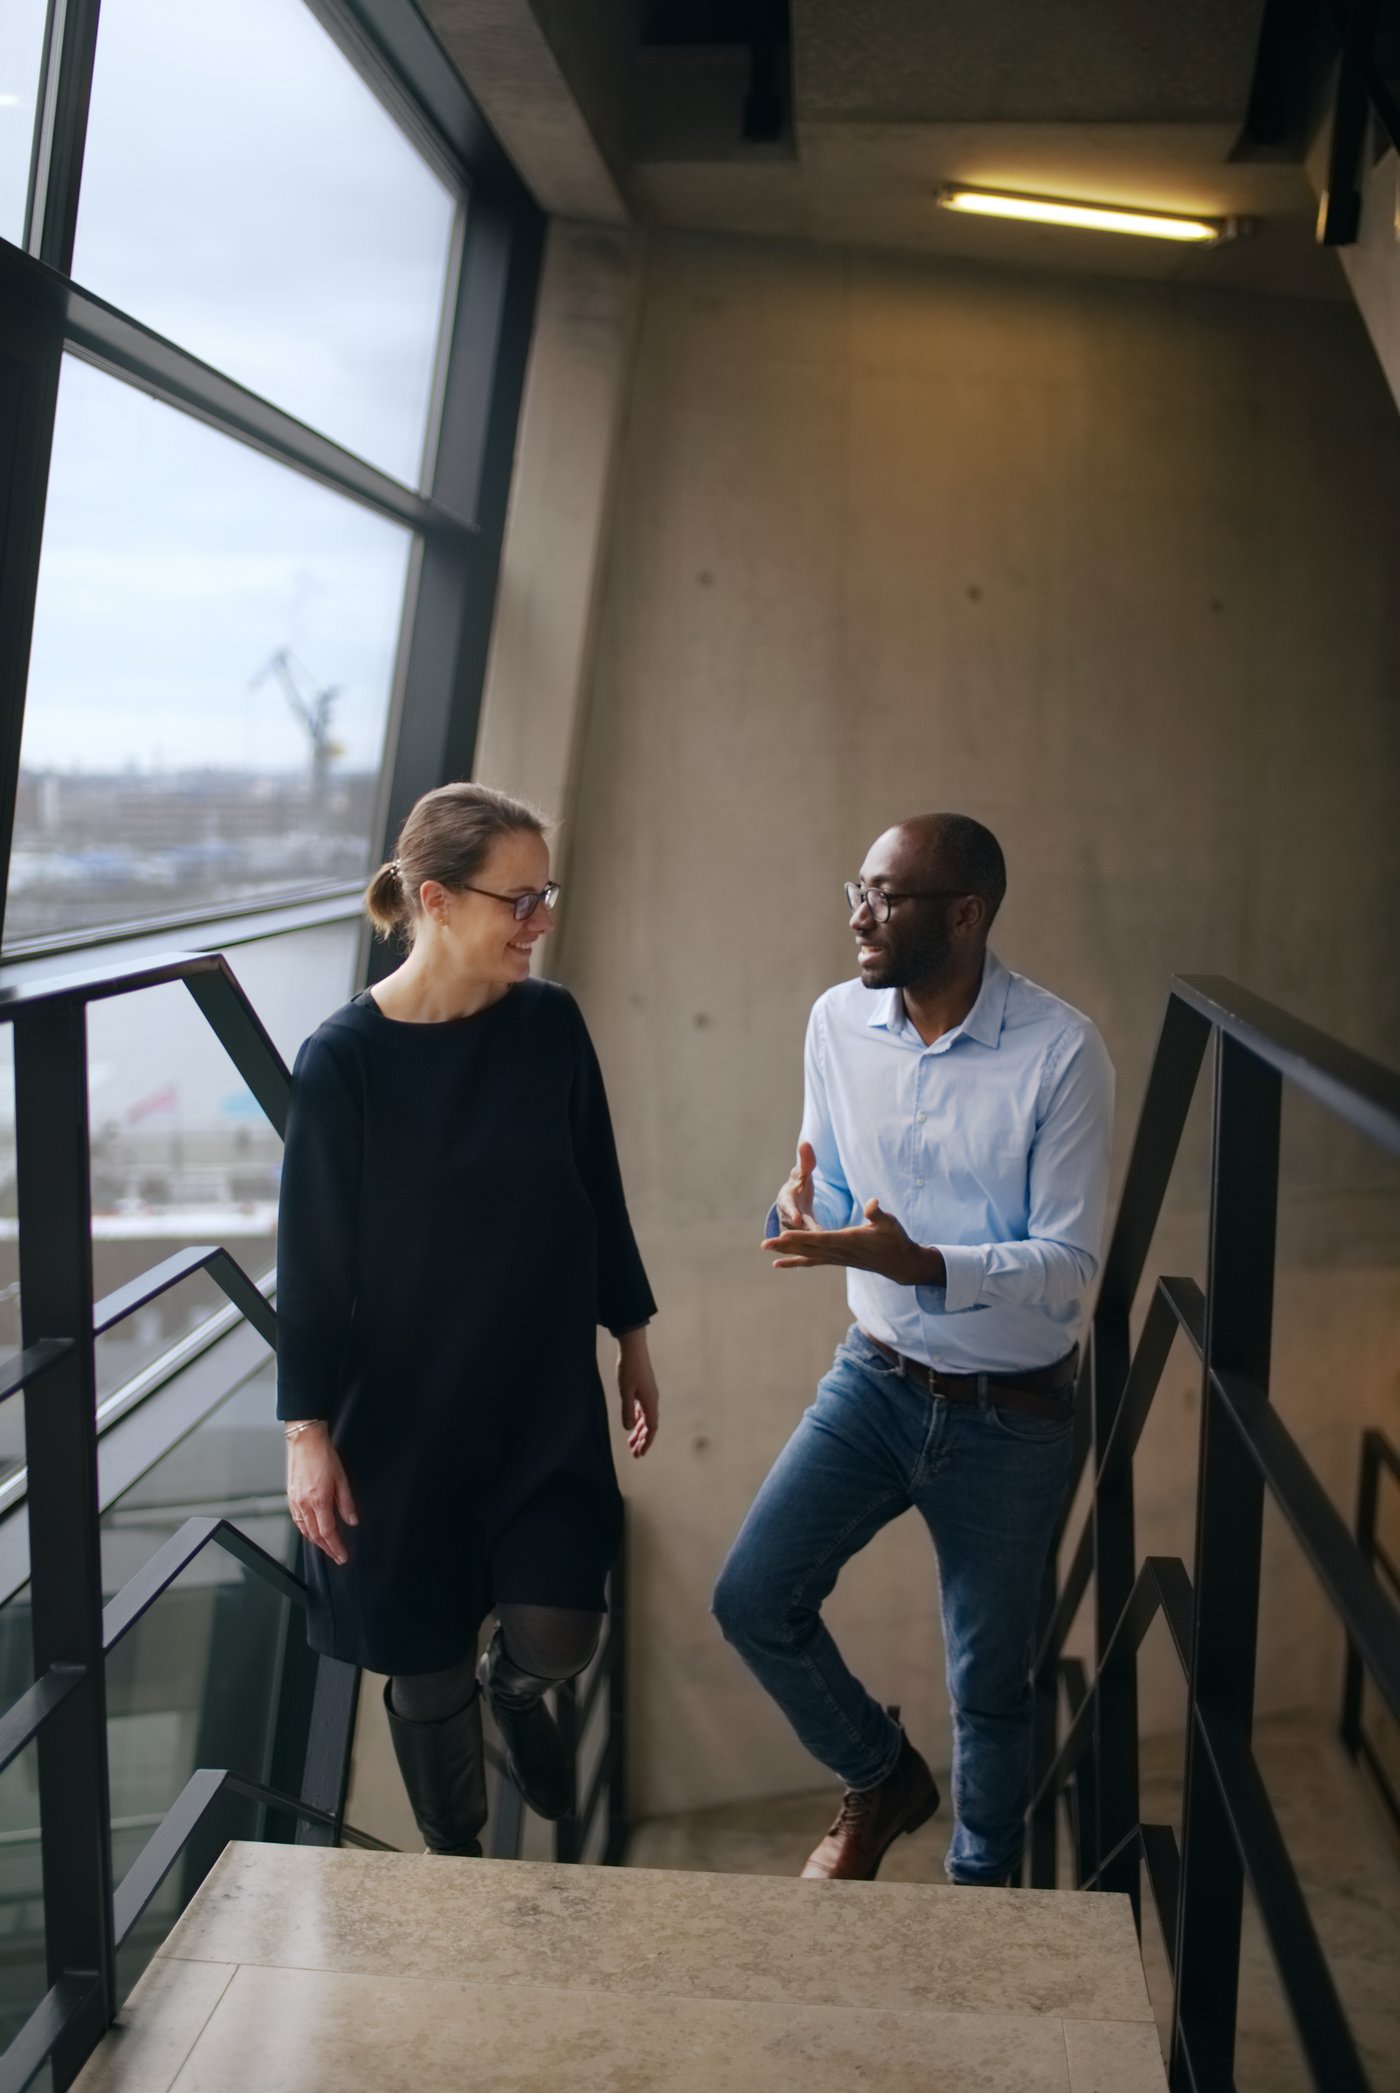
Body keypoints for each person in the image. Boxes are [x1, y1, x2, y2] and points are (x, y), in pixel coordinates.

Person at [713, 813, 1112, 1887]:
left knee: (988, 1684)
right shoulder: (837, 1022)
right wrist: (803, 1207)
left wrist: (923, 1260)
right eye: (861, 886)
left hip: (1012, 1414)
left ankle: (980, 1905)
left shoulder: (1060, 1050)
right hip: (875, 1381)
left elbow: (1069, 1262)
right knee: (751, 1598)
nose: (858, 913)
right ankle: (881, 1774)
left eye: (886, 895)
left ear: (964, 915)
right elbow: (833, 1188)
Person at [276, 782, 659, 1857]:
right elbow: (309, 1264)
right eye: (519, 901)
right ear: (435, 901)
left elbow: (598, 1188)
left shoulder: (549, 1022)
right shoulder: (343, 1059)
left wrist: (629, 1338)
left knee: (559, 1628)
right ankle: (457, 1868)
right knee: (424, 1661)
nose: (539, 922)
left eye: (545, 895)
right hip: (398, 1416)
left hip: (537, 1395)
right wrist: (306, 1434)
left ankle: (516, 1687)